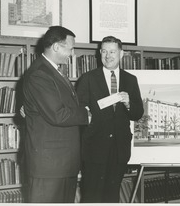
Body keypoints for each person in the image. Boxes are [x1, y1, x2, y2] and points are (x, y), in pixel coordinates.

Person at [22, 26, 90, 203]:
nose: (72, 53)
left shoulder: (52, 71)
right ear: (57, 47)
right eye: (70, 48)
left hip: (62, 163)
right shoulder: (40, 74)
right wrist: (86, 115)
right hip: (49, 166)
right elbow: (58, 114)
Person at [76, 36, 144, 203]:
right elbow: (79, 114)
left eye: (112, 51)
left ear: (121, 54)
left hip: (119, 150)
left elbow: (138, 114)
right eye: (104, 52)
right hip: (94, 149)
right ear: (100, 53)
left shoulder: (130, 79)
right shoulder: (87, 79)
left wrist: (129, 103)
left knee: (112, 195)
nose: (108, 56)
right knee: (92, 196)